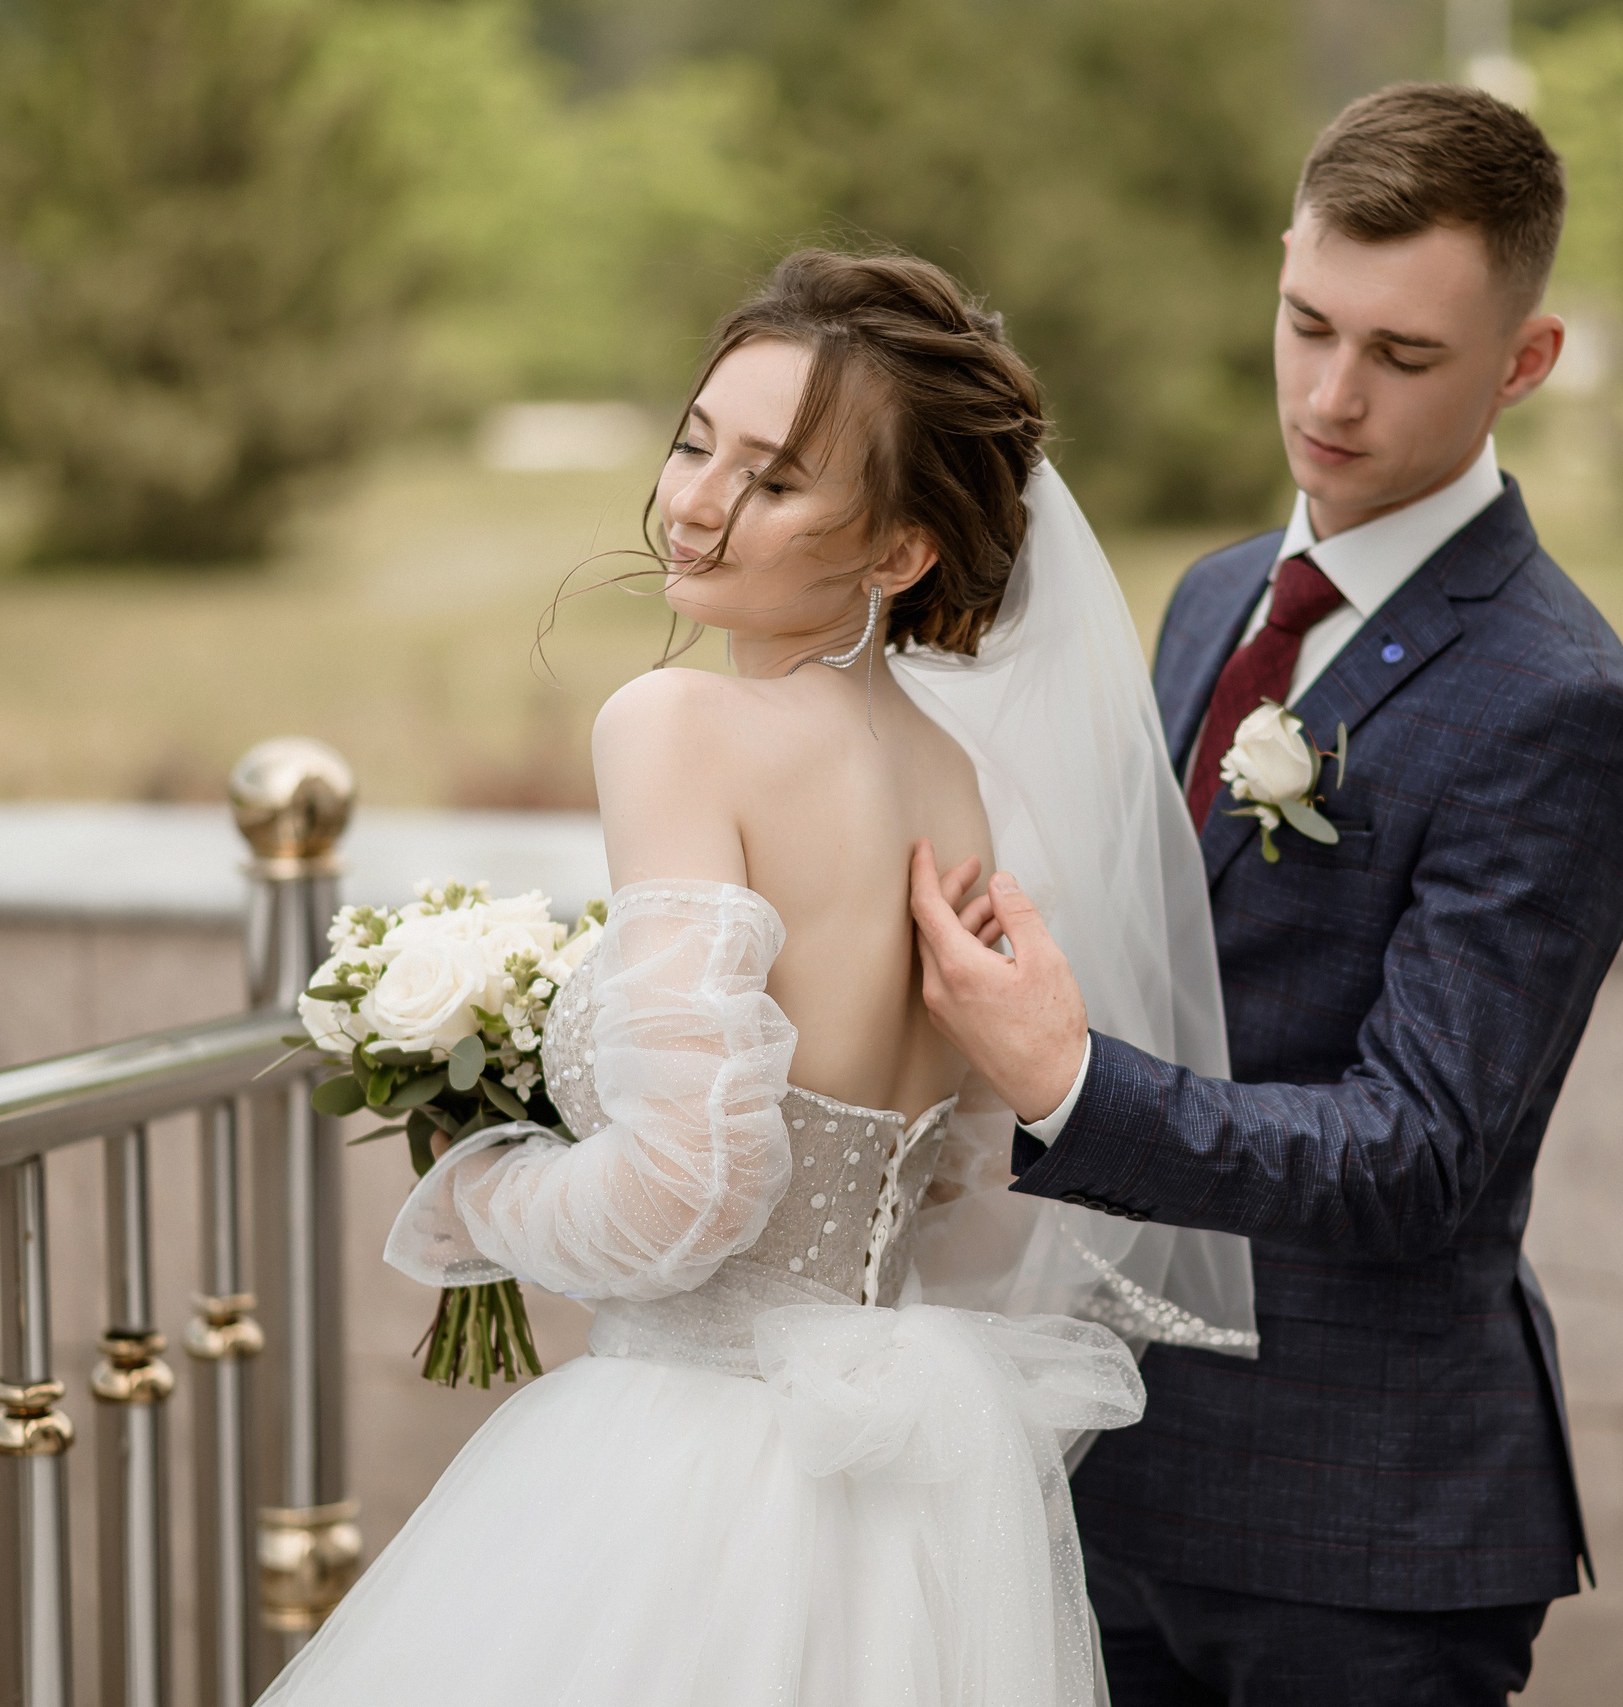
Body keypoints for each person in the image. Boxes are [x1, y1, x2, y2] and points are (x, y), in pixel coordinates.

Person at [258, 248, 1258, 1707]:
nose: (696, 502)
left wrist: (480, 1194)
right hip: (896, 1486)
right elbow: (961, 1188)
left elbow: (690, 1189)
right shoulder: (959, 779)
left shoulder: (675, 724)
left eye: (774, 480)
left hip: (689, 1465)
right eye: (693, 445)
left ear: (900, 553)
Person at [910, 84, 1623, 1705]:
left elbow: (1418, 1152)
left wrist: (1069, 1084)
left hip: (1362, 1536)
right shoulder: (1209, 600)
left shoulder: (1558, 705)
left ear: (1524, 361)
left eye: (1404, 354)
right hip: (1112, 1470)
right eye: (1309, 323)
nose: (1331, 394)